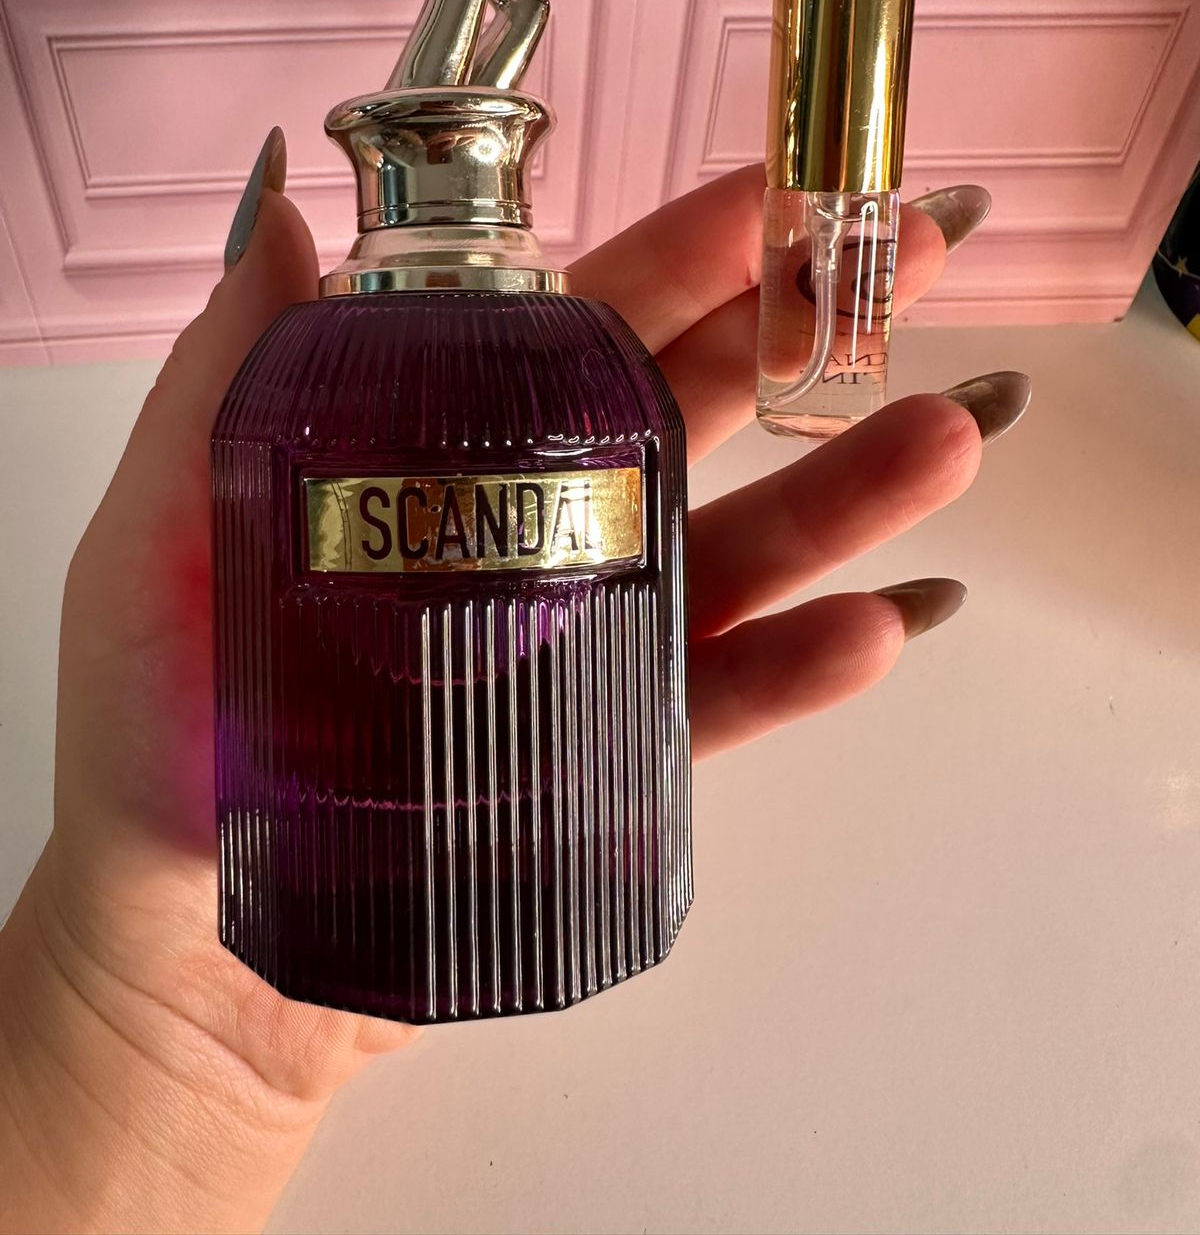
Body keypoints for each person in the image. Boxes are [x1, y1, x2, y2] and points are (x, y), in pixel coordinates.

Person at [0, 136, 1025, 1234]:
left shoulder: (438, 357)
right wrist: (136, 1015)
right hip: (316, 904)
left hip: (571, 902)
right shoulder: (319, 366)